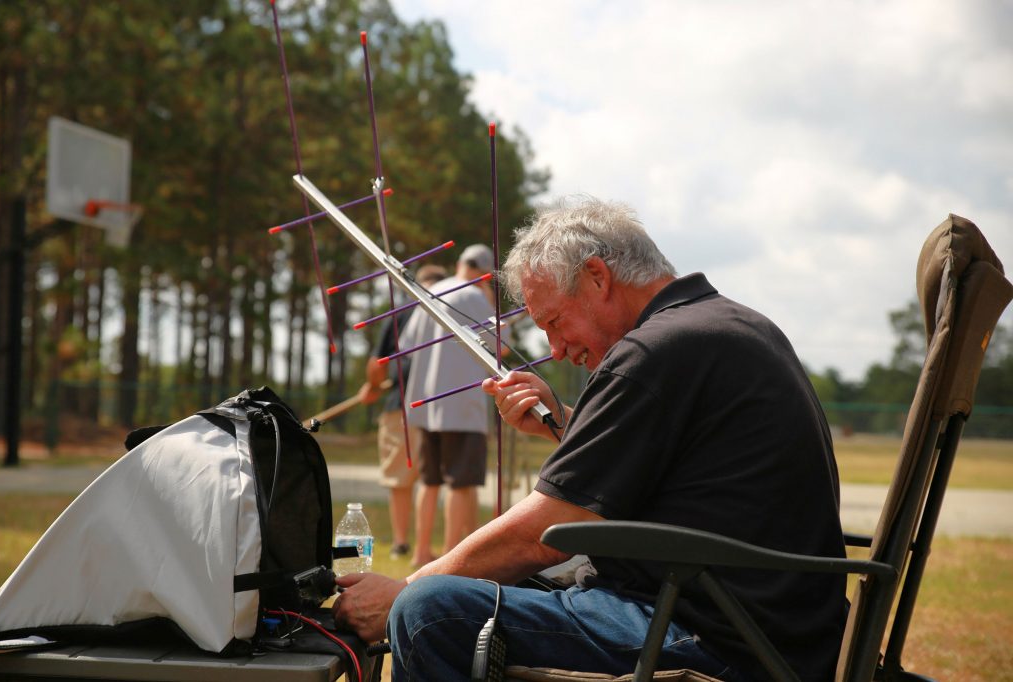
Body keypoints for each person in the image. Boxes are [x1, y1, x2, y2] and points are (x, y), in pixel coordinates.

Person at [332, 197, 848, 682]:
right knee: (472, 589)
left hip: (715, 636)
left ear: (597, 277)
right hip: (768, 627)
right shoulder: (722, 325)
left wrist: (404, 590)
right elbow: (668, 459)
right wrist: (562, 419)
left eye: (555, 322)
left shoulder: (655, 351)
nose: (556, 350)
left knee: (431, 611)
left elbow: (542, 531)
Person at [399, 244, 504, 566]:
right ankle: (448, 554)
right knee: (461, 483)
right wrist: (487, 300)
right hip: (461, 405)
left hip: (425, 403)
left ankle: (420, 553)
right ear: (485, 274)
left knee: (429, 482)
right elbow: (500, 348)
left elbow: (406, 346)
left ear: (459, 263)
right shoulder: (474, 296)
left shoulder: (430, 293)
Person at [358, 264, 447, 559]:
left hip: (401, 406)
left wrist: (372, 386)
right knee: (431, 479)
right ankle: (424, 546)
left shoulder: (401, 314)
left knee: (400, 477)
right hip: (442, 408)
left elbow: (376, 364)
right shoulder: (450, 311)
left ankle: (401, 543)